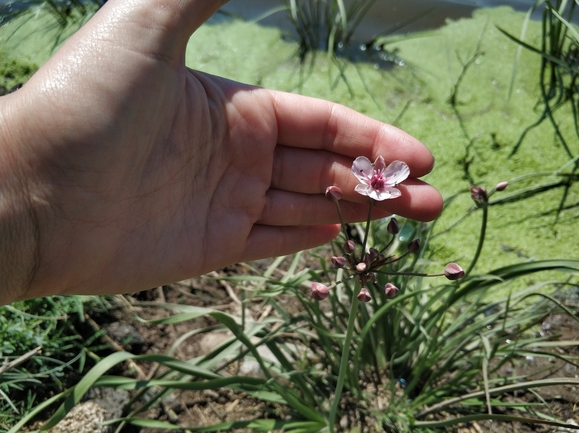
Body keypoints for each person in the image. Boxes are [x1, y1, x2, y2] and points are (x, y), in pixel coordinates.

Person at [0, 0, 443, 306]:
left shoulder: (375, 184)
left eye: (380, 178)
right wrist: (23, 177)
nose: (378, 178)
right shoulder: (365, 180)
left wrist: (31, 203)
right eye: (377, 177)